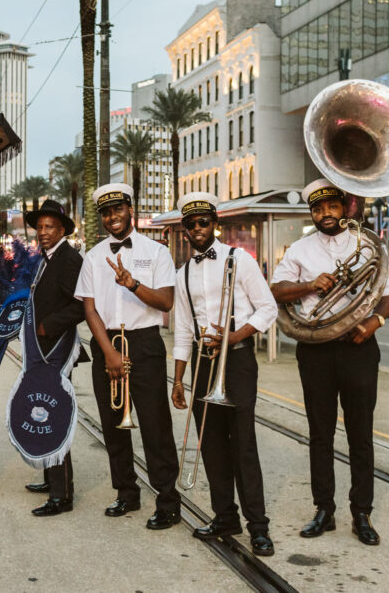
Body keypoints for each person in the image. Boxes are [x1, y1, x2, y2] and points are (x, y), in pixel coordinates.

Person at [271, 179, 389, 546]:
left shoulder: (367, 244)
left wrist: (374, 323)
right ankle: (324, 509)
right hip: (316, 351)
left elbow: (385, 297)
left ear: (345, 207)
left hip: (359, 346)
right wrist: (311, 285)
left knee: (361, 434)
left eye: (331, 206)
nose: (324, 213)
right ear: (312, 212)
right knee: (320, 434)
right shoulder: (299, 249)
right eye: (317, 208)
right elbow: (276, 291)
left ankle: (362, 513)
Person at [170, 192, 277, 557]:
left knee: (243, 445)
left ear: (214, 224)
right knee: (211, 446)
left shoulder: (239, 260)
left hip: (239, 361)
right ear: (184, 230)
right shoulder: (181, 274)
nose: (197, 229)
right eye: (191, 224)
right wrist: (179, 379)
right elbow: (183, 329)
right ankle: (225, 517)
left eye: (203, 222)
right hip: (203, 363)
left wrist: (234, 337)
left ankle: (258, 528)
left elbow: (267, 309)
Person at [74, 182, 181, 528]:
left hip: (146, 342)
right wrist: (108, 352)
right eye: (106, 212)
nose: (112, 217)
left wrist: (132, 283)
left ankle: (167, 500)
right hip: (107, 343)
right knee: (113, 426)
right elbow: (90, 310)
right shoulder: (92, 256)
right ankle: (126, 492)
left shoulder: (158, 252)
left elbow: (166, 302)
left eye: (118, 209)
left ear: (130, 209)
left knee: (155, 426)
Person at [21, 200, 87, 516]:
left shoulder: (68, 259)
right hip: (43, 349)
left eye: (49, 227)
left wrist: (49, 325)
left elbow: (80, 305)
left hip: (57, 349)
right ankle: (50, 478)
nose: (43, 232)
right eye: (40, 227)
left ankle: (62, 495)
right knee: (44, 410)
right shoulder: (46, 258)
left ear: (62, 230)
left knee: (56, 416)